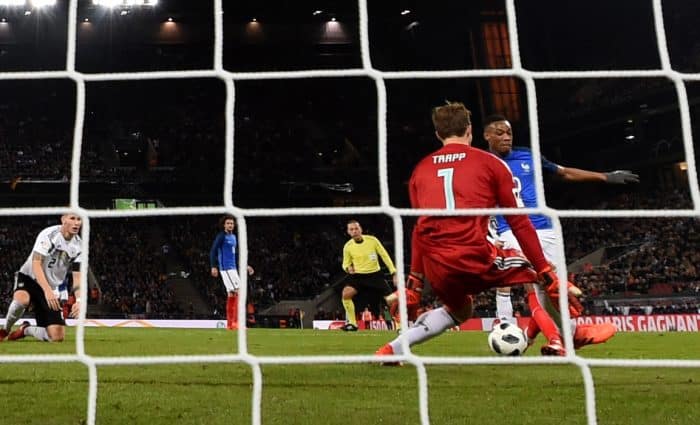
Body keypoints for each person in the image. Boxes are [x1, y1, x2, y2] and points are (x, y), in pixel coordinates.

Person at [375, 102, 566, 360]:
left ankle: (391, 349)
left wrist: (415, 283)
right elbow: (519, 221)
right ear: (470, 130)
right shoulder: (491, 163)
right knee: (543, 276)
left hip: (437, 263)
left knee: (461, 310)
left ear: (438, 134)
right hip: (475, 255)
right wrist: (543, 269)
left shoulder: (420, 171)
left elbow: (420, 228)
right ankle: (568, 335)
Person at [484, 114, 628, 347]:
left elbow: (564, 172)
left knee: (551, 290)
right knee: (534, 286)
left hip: (545, 228)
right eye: (499, 132)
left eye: (509, 132)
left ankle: (555, 339)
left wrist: (604, 177)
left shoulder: (527, 156)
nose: (506, 137)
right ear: (487, 136)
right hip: (511, 230)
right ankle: (518, 329)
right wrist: (490, 234)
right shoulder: (481, 162)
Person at [0, 214, 84, 342]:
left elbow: (77, 277)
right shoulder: (49, 235)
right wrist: (47, 291)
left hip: (51, 286)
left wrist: (79, 300)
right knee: (21, 300)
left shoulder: (79, 246)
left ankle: (26, 329)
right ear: (63, 219)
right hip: (30, 277)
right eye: (72, 218)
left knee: (57, 337)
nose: (76, 223)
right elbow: (36, 263)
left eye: (79, 219)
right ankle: (5, 329)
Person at [341, 219, 397, 331]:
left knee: (392, 300)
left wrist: (393, 272)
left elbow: (384, 255)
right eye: (351, 229)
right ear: (348, 232)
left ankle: (400, 324)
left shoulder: (372, 240)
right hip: (358, 276)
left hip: (375, 275)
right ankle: (352, 324)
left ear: (360, 229)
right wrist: (348, 268)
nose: (354, 231)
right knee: (346, 294)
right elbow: (345, 263)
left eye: (356, 228)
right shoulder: (348, 246)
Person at [210, 214, 254, 330]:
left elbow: (237, 255)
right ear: (224, 225)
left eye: (232, 223)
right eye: (228, 223)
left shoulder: (233, 237)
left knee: (232, 294)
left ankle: (230, 324)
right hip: (226, 268)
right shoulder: (221, 236)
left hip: (233, 268)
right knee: (240, 292)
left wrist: (245, 265)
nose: (230, 225)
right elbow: (213, 250)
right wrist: (213, 266)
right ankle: (236, 323)